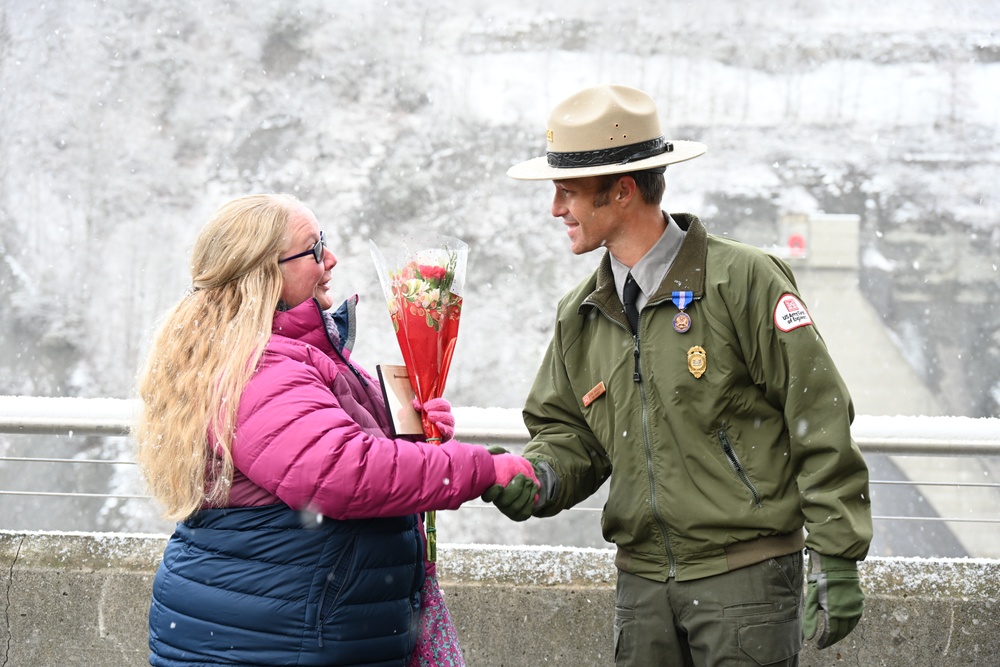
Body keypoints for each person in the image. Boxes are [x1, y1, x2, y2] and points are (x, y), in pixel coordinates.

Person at [484, 85, 872, 666]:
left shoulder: (744, 281)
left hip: (745, 582)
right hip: (641, 593)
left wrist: (836, 556)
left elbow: (816, 414)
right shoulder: (581, 313)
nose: (555, 209)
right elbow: (574, 438)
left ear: (621, 190)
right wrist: (531, 476)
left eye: (568, 191)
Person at [134, 193, 538, 667]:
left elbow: (335, 453)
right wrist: (481, 468)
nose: (331, 258)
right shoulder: (260, 369)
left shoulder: (289, 353)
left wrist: (413, 438)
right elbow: (344, 475)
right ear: (265, 274)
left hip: (278, 631)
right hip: (277, 641)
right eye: (313, 248)